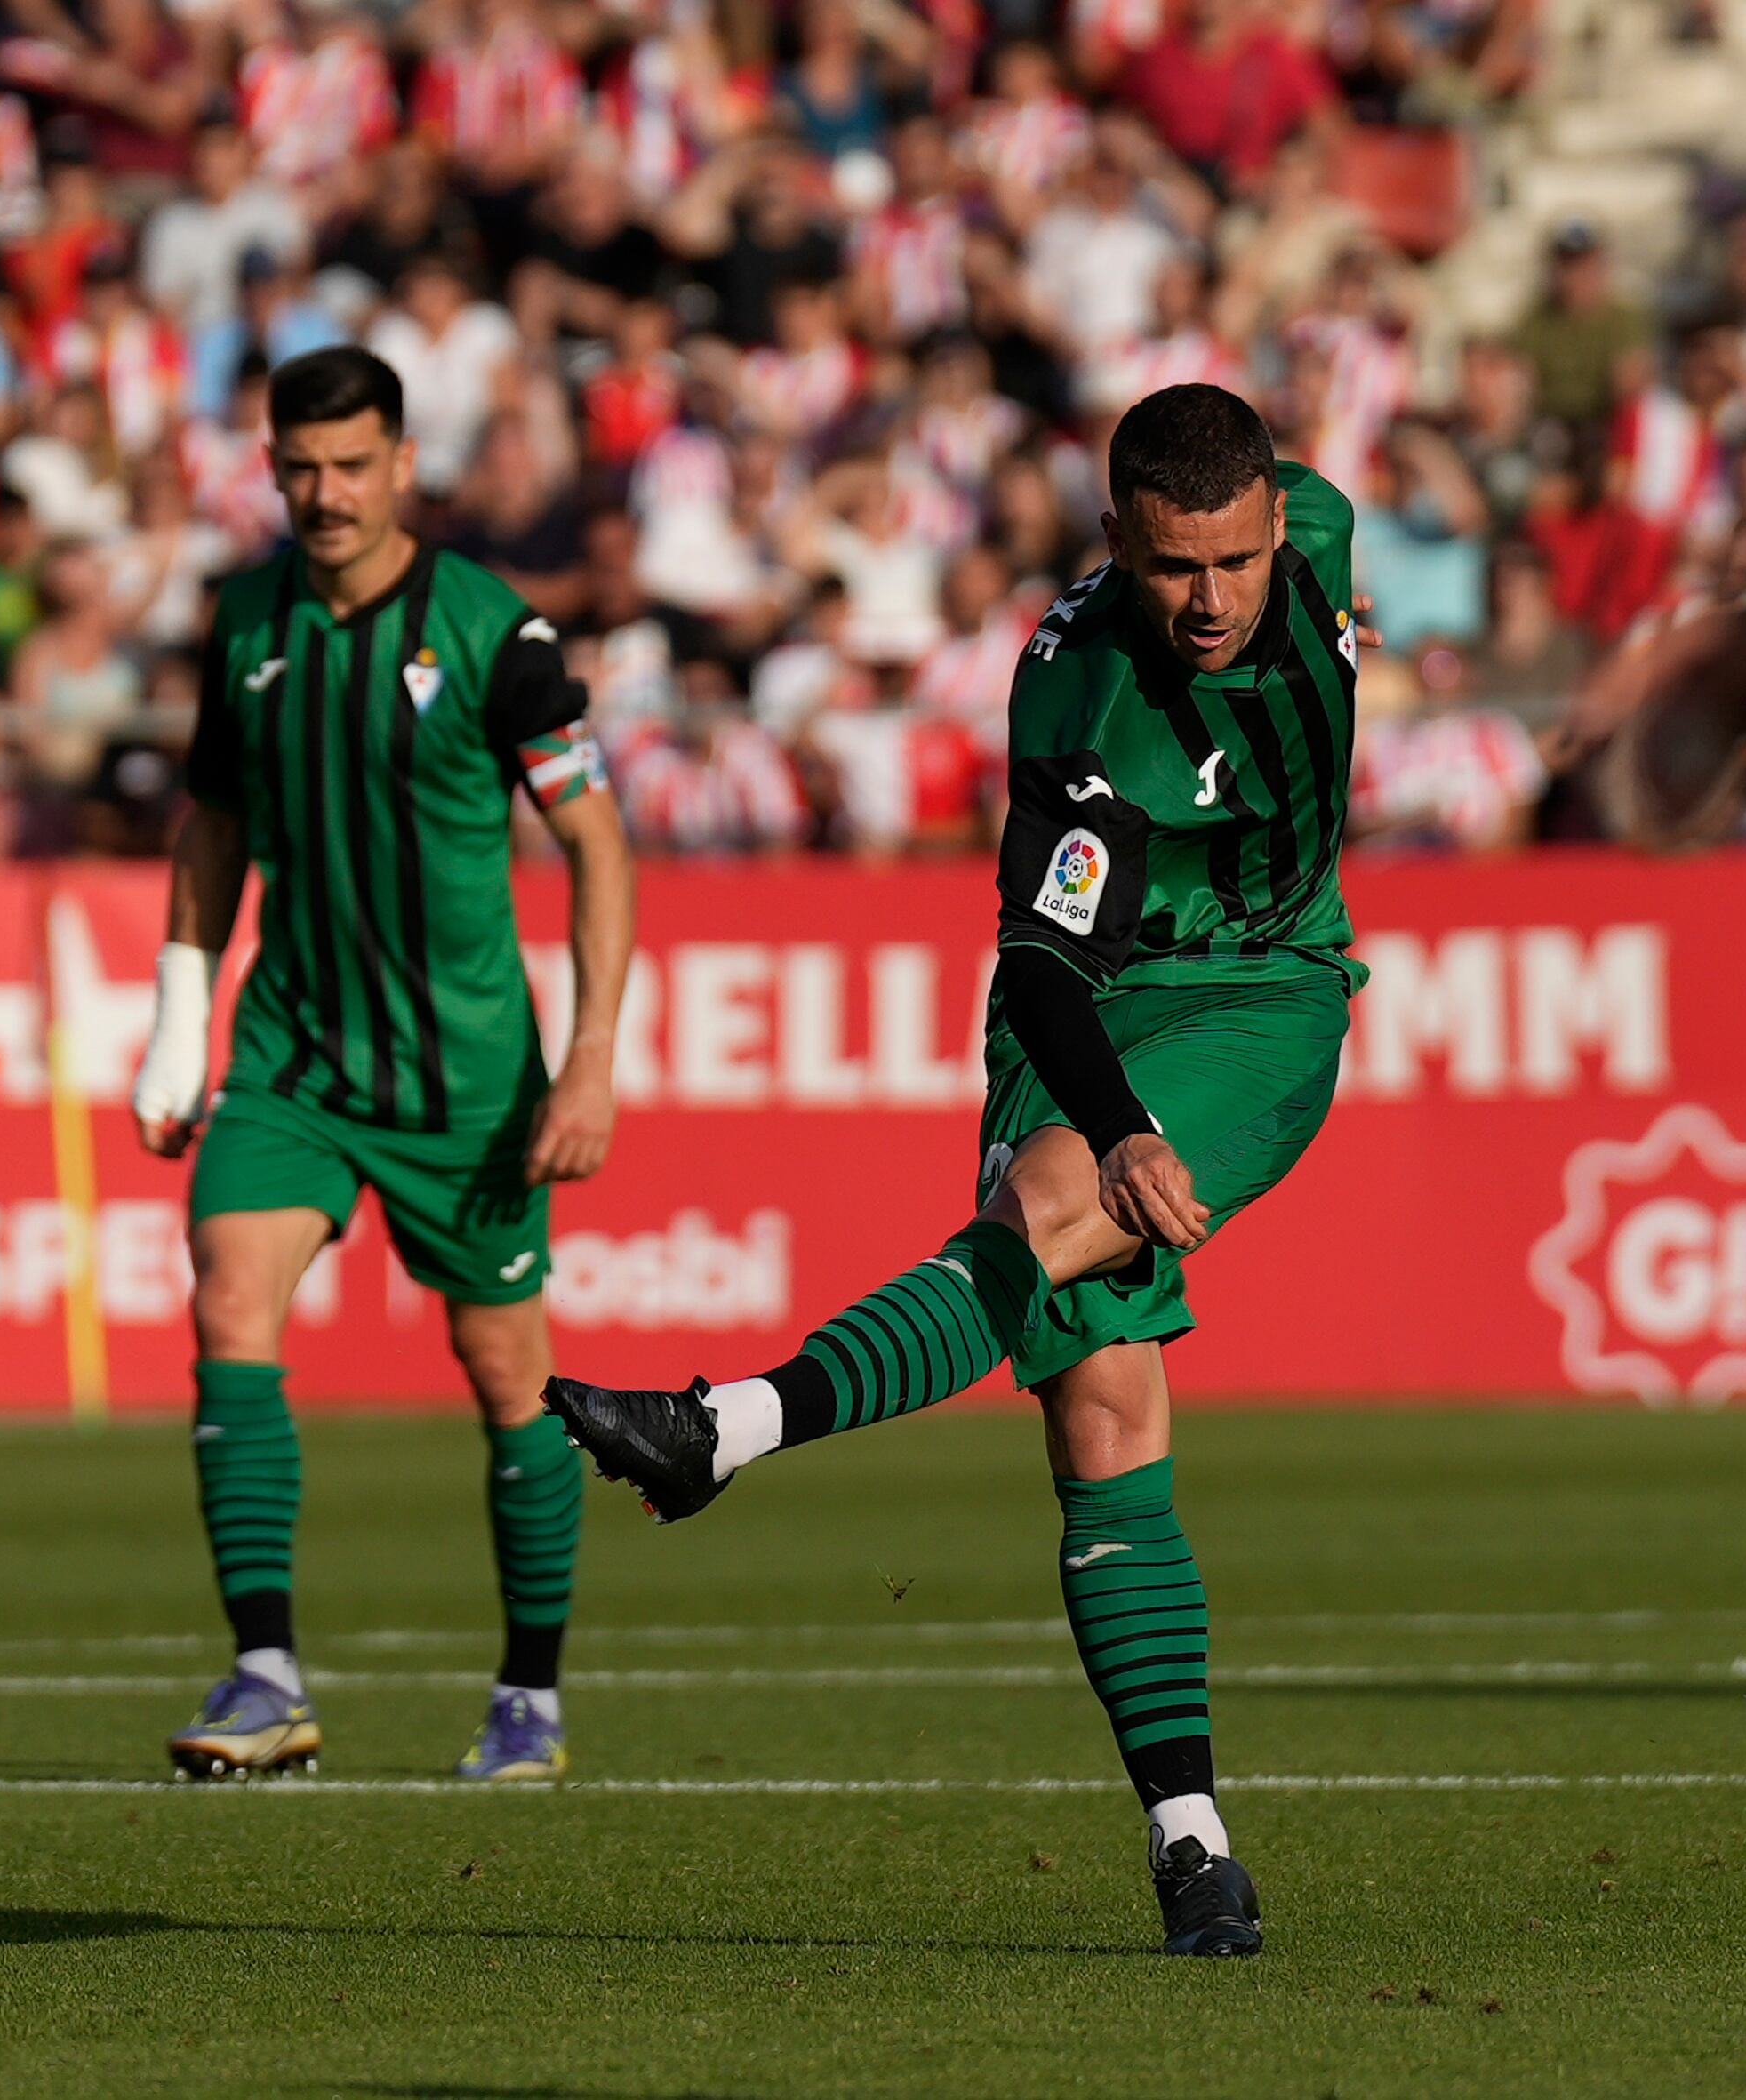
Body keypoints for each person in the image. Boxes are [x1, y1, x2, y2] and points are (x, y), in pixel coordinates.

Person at [544, 386, 1366, 1956]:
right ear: (1117, 540)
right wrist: (1119, 1121)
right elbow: (1045, 971)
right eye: (1170, 566)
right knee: (1102, 1404)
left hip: (1263, 987)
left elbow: (1320, 565)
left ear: (1275, 525)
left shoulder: (1314, 532)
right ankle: (1192, 1847)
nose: (1205, 600)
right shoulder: (1072, 698)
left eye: (1234, 562)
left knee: (1033, 1218)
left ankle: (727, 1423)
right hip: (1081, 1011)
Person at [129, 345, 636, 1784]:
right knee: (228, 1294)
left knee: (503, 1372)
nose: (324, 492)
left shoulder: (494, 636)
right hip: (291, 1050)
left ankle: (528, 1691)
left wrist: (589, 1060)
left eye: (352, 465)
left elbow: (596, 845)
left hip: (462, 1080)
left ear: (403, 465)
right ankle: (264, 1674)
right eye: (299, 466)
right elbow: (212, 826)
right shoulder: (242, 622)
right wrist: (178, 1019)